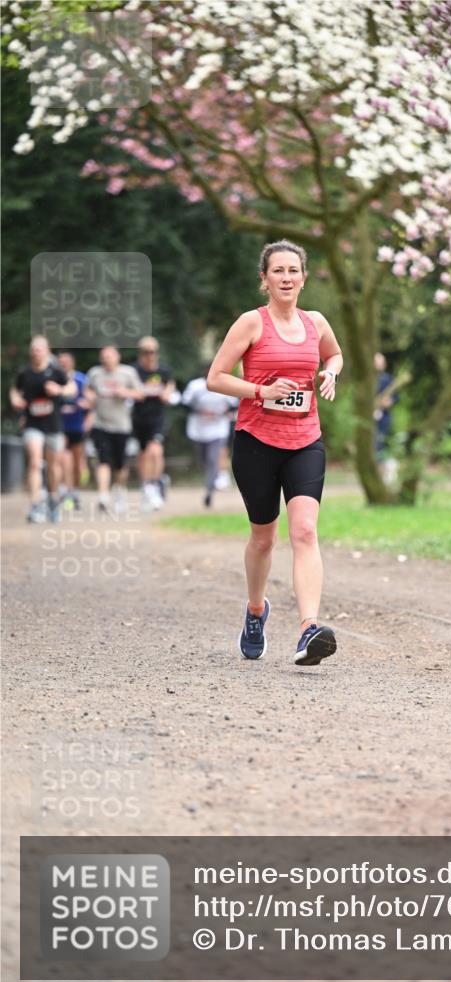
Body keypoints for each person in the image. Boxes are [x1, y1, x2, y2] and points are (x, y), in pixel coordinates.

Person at [207, 239, 343, 666]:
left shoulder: (316, 322)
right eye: (278, 271)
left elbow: (335, 353)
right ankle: (255, 610)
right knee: (264, 538)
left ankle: (308, 629)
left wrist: (331, 372)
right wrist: (261, 390)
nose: (286, 278)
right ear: (264, 280)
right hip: (256, 443)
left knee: (304, 531)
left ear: (304, 277)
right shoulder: (251, 323)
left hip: (305, 440)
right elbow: (215, 377)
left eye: (293, 270)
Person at [10, 336, 75, 523]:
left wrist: (59, 390)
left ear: (47, 351)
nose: (36, 352)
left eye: (40, 349)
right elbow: (15, 390)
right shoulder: (25, 373)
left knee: (54, 466)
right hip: (33, 424)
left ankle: (53, 500)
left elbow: (72, 388)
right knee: (35, 462)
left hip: (53, 425)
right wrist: (16, 400)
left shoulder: (56, 371)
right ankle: (36, 504)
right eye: (34, 349)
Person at [86, 346, 144, 514]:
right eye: (103, 356)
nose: (106, 359)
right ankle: (103, 496)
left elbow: (140, 394)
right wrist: (90, 397)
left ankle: (119, 490)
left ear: (117, 357)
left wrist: (124, 392)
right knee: (103, 459)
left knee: (120, 464)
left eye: (110, 356)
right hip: (100, 423)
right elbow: (88, 390)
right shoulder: (95, 373)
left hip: (121, 425)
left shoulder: (128, 373)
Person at [131, 336, 175, 512]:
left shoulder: (163, 370)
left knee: (155, 451)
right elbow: (129, 389)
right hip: (138, 418)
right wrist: (136, 393)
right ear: (140, 353)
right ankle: (146, 487)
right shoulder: (133, 371)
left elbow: (169, 388)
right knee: (142, 455)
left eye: (154, 352)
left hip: (157, 417)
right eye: (147, 352)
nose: (151, 355)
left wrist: (167, 393)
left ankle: (155, 485)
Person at [182, 372, 238, 507]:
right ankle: (210, 481)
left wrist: (222, 412)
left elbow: (234, 404)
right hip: (198, 430)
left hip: (217, 429)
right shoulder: (195, 386)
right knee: (204, 461)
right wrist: (200, 412)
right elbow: (184, 404)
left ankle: (209, 490)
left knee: (213, 459)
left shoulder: (225, 384)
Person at [56, 350, 89, 510]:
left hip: (77, 426)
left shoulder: (81, 379)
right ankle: (63, 490)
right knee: (62, 459)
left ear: (72, 363)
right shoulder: (54, 380)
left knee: (77, 462)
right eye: (60, 362)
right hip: (59, 426)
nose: (63, 364)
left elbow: (91, 402)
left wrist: (87, 417)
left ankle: (74, 491)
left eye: (66, 362)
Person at [373, 351, 399, 484]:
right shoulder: (368, 380)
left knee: (380, 443)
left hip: (384, 417)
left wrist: (389, 402)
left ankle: (384, 473)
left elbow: (396, 397)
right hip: (370, 416)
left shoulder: (388, 379)